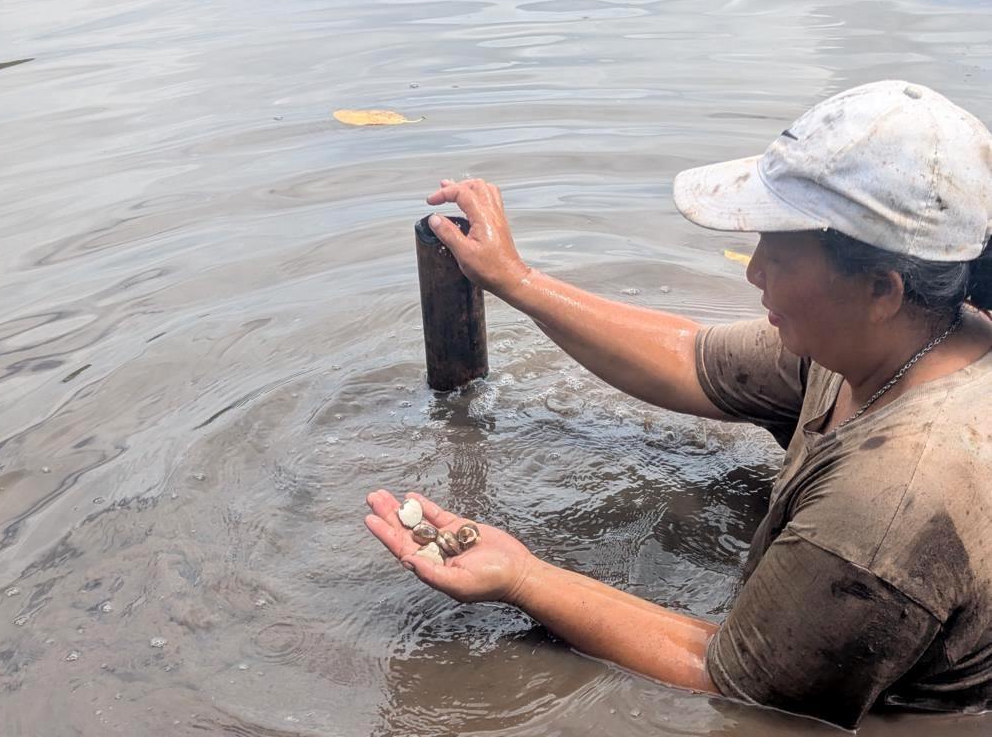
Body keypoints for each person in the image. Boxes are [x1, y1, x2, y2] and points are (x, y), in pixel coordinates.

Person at [364, 80, 992, 729]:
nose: (753, 273)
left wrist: (521, 577)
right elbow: (693, 359)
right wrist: (515, 280)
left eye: (777, 253)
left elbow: (735, 680)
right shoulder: (898, 340)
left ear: (880, 290)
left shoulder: (897, 493)